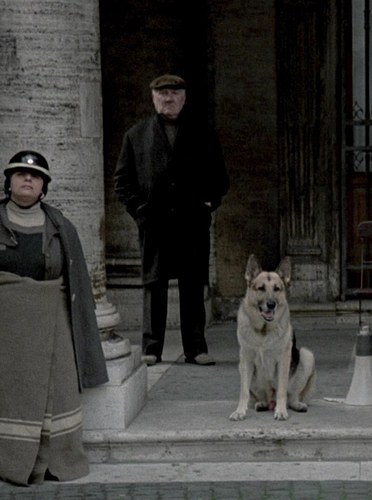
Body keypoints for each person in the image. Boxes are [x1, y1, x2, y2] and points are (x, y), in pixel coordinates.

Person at [0, 151, 108, 485]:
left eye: (35, 176)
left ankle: (53, 461)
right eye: (20, 174)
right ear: (8, 182)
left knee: (57, 388)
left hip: (53, 318)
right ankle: (10, 460)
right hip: (6, 325)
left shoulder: (61, 227)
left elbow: (76, 281)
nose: (27, 179)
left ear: (44, 187)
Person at [114, 74, 229, 366]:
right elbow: (122, 181)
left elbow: (220, 177)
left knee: (192, 285)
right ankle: (151, 349)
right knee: (154, 285)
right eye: (163, 94)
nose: (169, 98)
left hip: (192, 223)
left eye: (175, 93)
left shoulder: (203, 133)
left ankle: (196, 348)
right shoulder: (136, 135)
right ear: (153, 98)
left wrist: (209, 202)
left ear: (184, 98)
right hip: (154, 224)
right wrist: (139, 211)